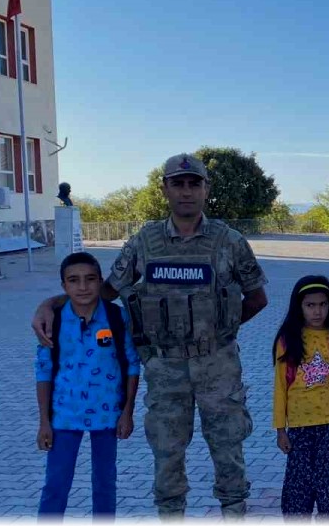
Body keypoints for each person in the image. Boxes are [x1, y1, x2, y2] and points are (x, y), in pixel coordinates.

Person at [31, 153, 269, 518]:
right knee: (167, 453)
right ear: (165, 189)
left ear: (206, 189)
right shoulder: (145, 242)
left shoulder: (229, 241)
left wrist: (219, 333)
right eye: (178, 184)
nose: (186, 192)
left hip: (217, 367)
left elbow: (257, 298)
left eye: (194, 184)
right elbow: (106, 291)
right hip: (165, 369)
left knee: (228, 448)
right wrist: (51, 303)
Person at [36, 253, 140, 518]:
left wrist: (128, 411)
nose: (83, 287)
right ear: (64, 286)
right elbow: (43, 370)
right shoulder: (54, 320)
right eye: (73, 280)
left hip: (107, 415)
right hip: (64, 416)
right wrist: (44, 422)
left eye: (90, 279)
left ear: (100, 281)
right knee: (56, 484)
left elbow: (132, 364)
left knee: (105, 484)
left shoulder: (116, 318)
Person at [273, 275, 329, 518]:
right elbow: (280, 387)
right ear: (299, 307)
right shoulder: (287, 340)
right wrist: (280, 430)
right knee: (297, 493)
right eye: (310, 305)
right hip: (299, 427)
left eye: (323, 304)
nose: (317, 311)